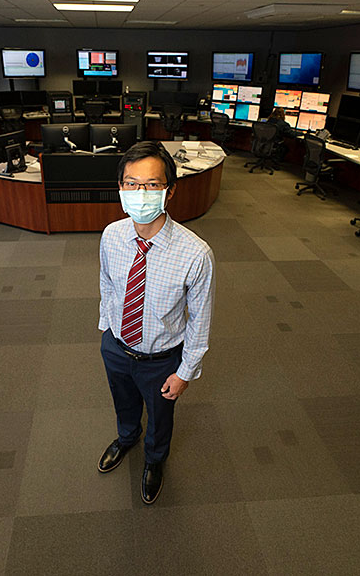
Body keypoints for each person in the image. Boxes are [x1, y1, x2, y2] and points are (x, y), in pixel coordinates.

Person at [97, 141, 215, 504]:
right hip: (116, 347)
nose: (140, 193)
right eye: (131, 184)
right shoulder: (112, 235)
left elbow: (200, 321)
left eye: (151, 184)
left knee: (161, 418)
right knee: (124, 403)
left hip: (162, 360)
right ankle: (127, 437)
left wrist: (185, 373)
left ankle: (154, 460)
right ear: (120, 189)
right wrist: (107, 328)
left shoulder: (196, 254)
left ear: (170, 190)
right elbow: (108, 283)